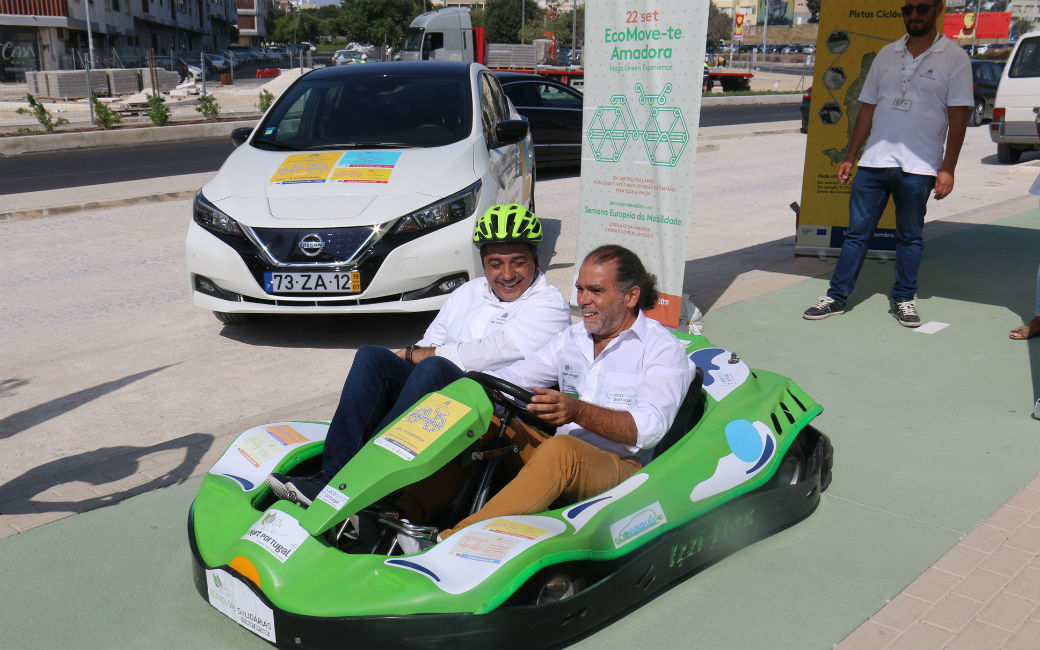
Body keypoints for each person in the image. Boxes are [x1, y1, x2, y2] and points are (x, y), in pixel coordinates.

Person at [267, 204, 571, 505]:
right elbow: (429, 341)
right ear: (483, 262)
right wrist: (412, 356)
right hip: (448, 392)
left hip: (496, 408)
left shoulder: (549, 305)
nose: (507, 274)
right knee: (373, 358)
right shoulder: (468, 292)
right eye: (495, 264)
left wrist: (417, 355)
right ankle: (329, 475)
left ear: (534, 258)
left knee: (434, 367)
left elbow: (483, 354)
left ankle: (367, 477)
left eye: (518, 262)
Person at [425, 245, 697, 540]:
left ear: (630, 296)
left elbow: (650, 429)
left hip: (621, 468)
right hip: (561, 455)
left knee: (561, 450)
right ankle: (403, 515)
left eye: (595, 291)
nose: (583, 301)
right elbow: (514, 377)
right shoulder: (573, 338)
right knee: (479, 424)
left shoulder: (662, 350)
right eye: (580, 289)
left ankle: (457, 538)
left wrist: (577, 411)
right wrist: (470, 394)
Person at [803, 0, 973, 328]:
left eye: (921, 8)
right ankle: (836, 297)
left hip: (919, 167)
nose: (913, 15)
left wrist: (948, 168)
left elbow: (959, 116)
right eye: (907, 10)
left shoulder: (955, 58)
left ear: (938, 9)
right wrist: (851, 156)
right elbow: (866, 108)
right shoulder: (886, 54)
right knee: (855, 235)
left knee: (909, 237)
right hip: (873, 163)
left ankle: (904, 298)